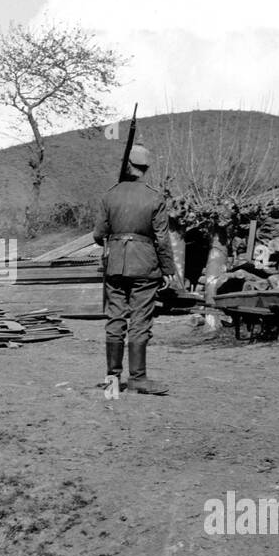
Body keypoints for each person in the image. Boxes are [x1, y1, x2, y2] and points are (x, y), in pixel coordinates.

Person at [92, 144, 179, 395]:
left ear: (126, 166)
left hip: (116, 266)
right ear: (145, 168)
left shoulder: (110, 195)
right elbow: (162, 238)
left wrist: (116, 241)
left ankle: (113, 380)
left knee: (115, 319)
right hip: (145, 266)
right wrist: (167, 269)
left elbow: (99, 235)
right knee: (140, 320)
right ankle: (138, 378)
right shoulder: (155, 197)